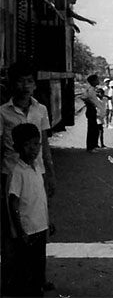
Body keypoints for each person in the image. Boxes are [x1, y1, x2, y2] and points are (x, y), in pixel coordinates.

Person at [0, 61, 56, 293]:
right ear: (13, 84)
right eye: (21, 81)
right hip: (11, 174)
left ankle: (38, 278)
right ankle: (12, 281)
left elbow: (44, 145)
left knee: (37, 224)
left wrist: (50, 174)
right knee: (13, 228)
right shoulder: (2, 112)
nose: (26, 86)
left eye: (30, 81)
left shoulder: (40, 110)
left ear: (35, 84)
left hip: (36, 173)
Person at [6, 123, 49, 296]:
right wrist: (19, 230)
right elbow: (13, 202)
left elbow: (41, 198)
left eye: (36, 144)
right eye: (28, 145)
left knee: (39, 268)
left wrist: (48, 220)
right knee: (26, 272)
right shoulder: (17, 172)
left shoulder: (36, 167)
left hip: (40, 227)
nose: (33, 149)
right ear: (18, 147)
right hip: (27, 231)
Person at [81, 74, 101, 152]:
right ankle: (90, 147)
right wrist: (91, 104)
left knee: (94, 128)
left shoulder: (93, 89)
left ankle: (93, 146)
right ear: (93, 81)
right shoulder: (90, 89)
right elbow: (84, 97)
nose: (98, 81)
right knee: (92, 129)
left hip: (93, 110)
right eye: (97, 79)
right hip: (91, 110)